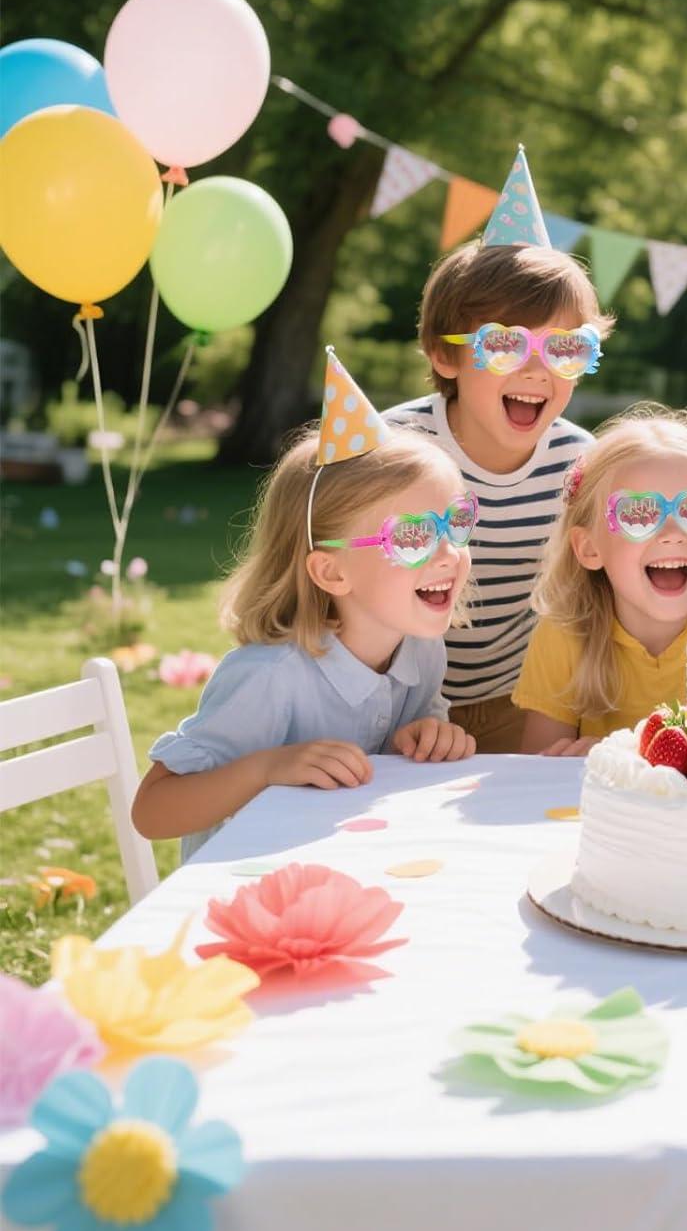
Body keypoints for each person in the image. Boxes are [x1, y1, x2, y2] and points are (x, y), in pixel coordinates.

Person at [135, 357, 476, 857]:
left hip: (345, 864)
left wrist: (427, 735)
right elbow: (152, 811)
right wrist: (267, 768)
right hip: (244, 881)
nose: (450, 554)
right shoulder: (269, 677)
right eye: (412, 537)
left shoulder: (421, 652)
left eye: (456, 523)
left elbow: (412, 741)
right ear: (331, 573)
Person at [385, 238, 614, 751]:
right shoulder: (394, 449)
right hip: (398, 701)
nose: (536, 370)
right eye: (505, 345)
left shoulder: (581, 464)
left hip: (524, 700)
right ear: (445, 354)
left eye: (564, 349)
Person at [513, 406, 687, 753]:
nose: (673, 533)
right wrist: (592, 763)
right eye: (639, 514)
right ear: (589, 548)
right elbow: (535, 772)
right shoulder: (564, 634)